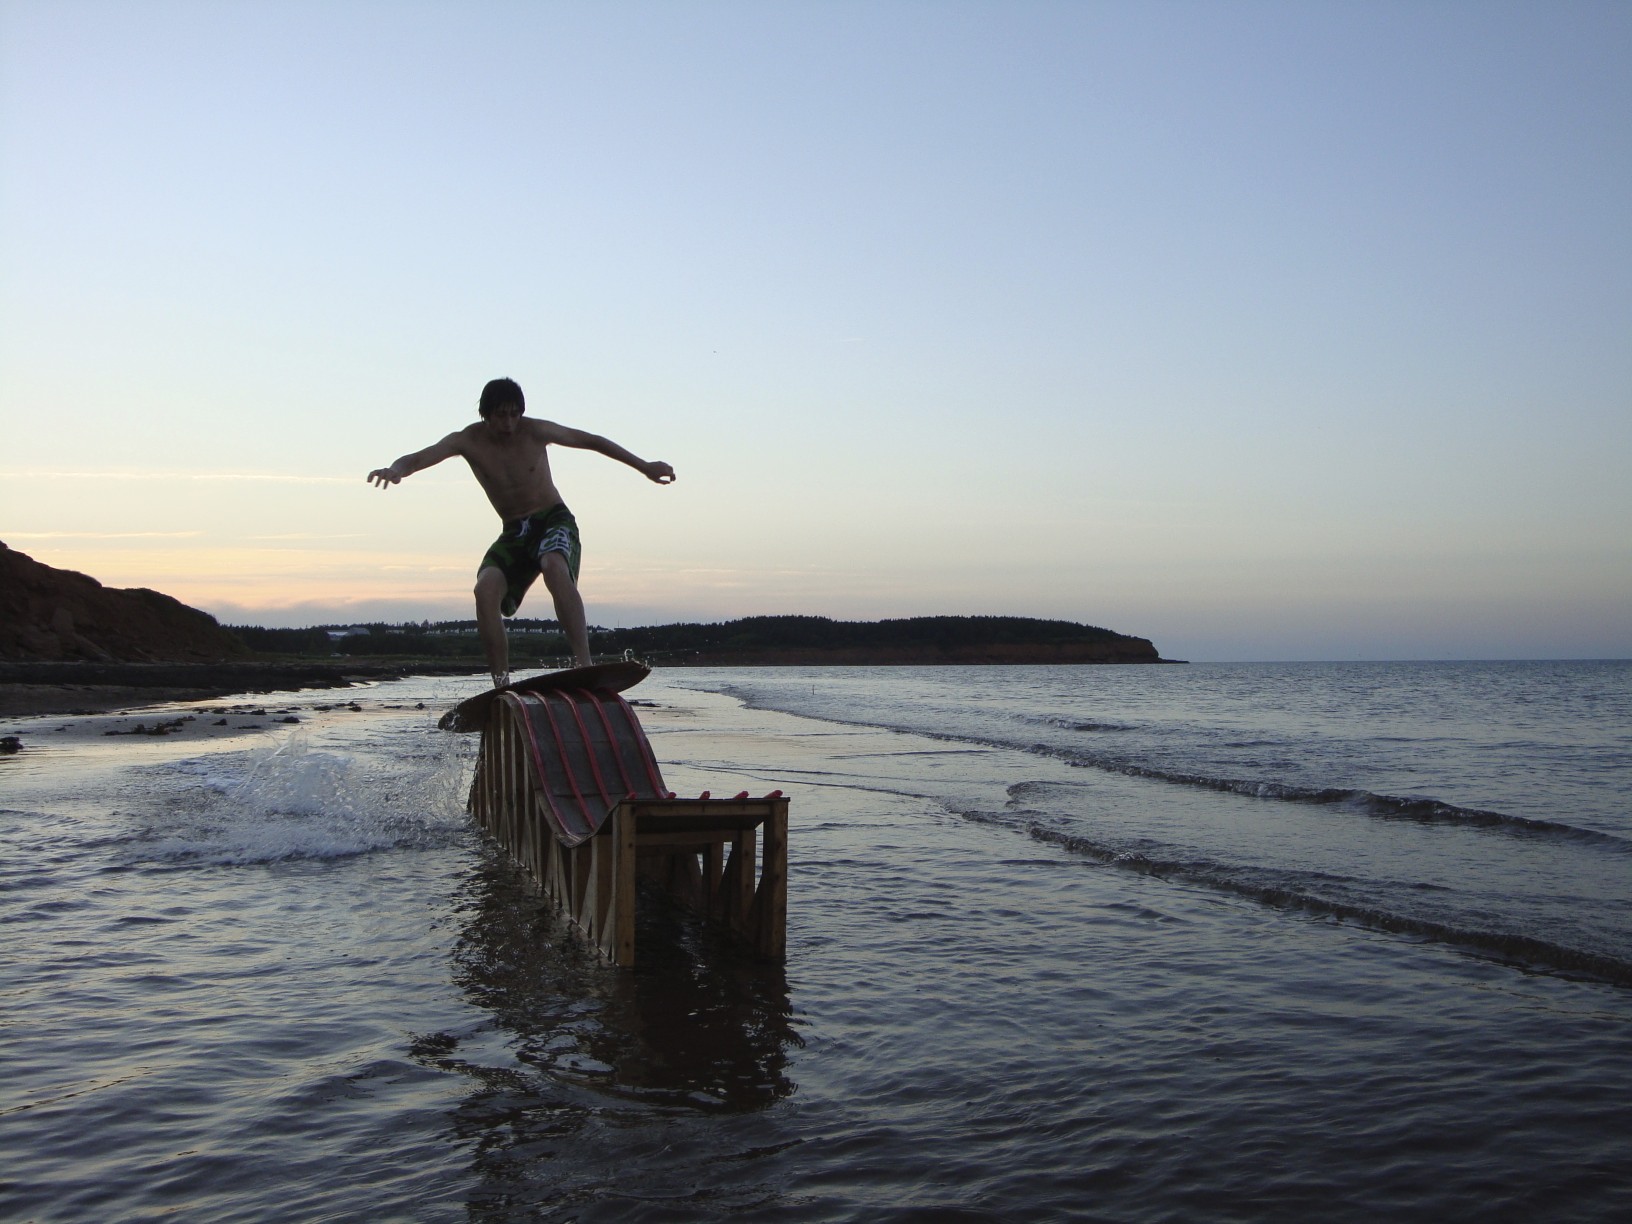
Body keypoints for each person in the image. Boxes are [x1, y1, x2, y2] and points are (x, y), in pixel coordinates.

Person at [367, 377, 674, 687]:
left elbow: (591, 440)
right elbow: (418, 458)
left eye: (515, 414)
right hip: (514, 531)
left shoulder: (536, 431)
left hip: (553, 518)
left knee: (553, 564)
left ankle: (584, 664)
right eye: (501, 415)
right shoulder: (466, 441)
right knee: (484, 591)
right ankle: (501, 684)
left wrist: (644, 466)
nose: (509, 423)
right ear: (485, 415)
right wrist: (395, 470)